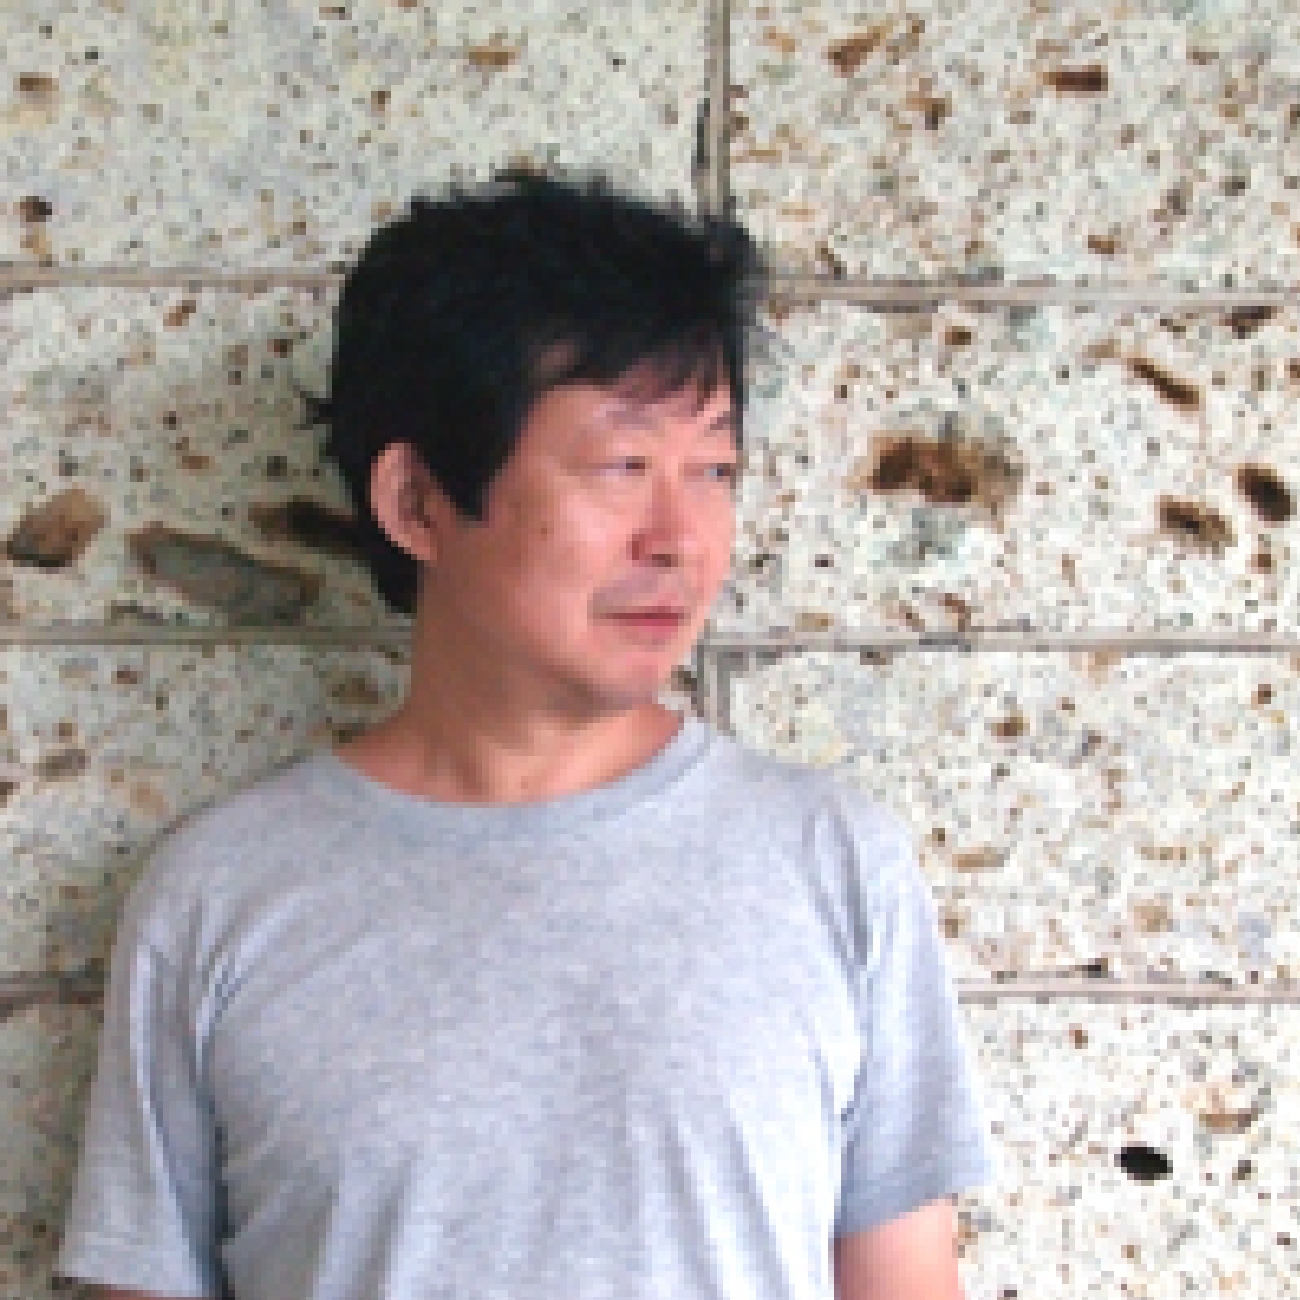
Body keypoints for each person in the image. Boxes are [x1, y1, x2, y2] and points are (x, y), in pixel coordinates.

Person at [55, 169, 998, 1300]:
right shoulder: (221, 896)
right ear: (417, 503)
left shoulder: (830, 863)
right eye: (623, 467)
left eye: (712, 471)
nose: (681, 537)